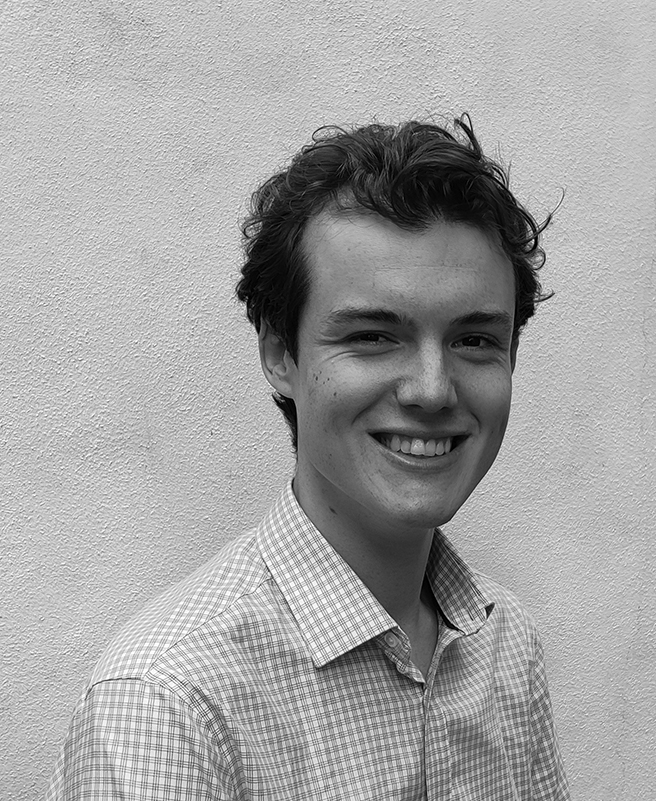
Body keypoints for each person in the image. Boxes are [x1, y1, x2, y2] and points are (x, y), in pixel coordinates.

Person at [46, 115, 570, 800]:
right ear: (278, 353)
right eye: (375, 335)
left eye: (475, 340)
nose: (433, 389)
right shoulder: (167, 703)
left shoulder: (506, 643)